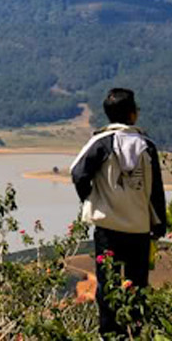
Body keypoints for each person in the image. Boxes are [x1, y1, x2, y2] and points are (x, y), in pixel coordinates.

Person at [71, 88, 168, 336]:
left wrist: (91, 199)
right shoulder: (146, 146)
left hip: (108, 229)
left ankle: (110, 334)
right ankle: (137, 331)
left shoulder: (100, 142)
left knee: (107, 285)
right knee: (137, 286)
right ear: (133, 114)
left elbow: (78, 173)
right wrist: (158, 226)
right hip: (138, 229)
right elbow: (155, 190)